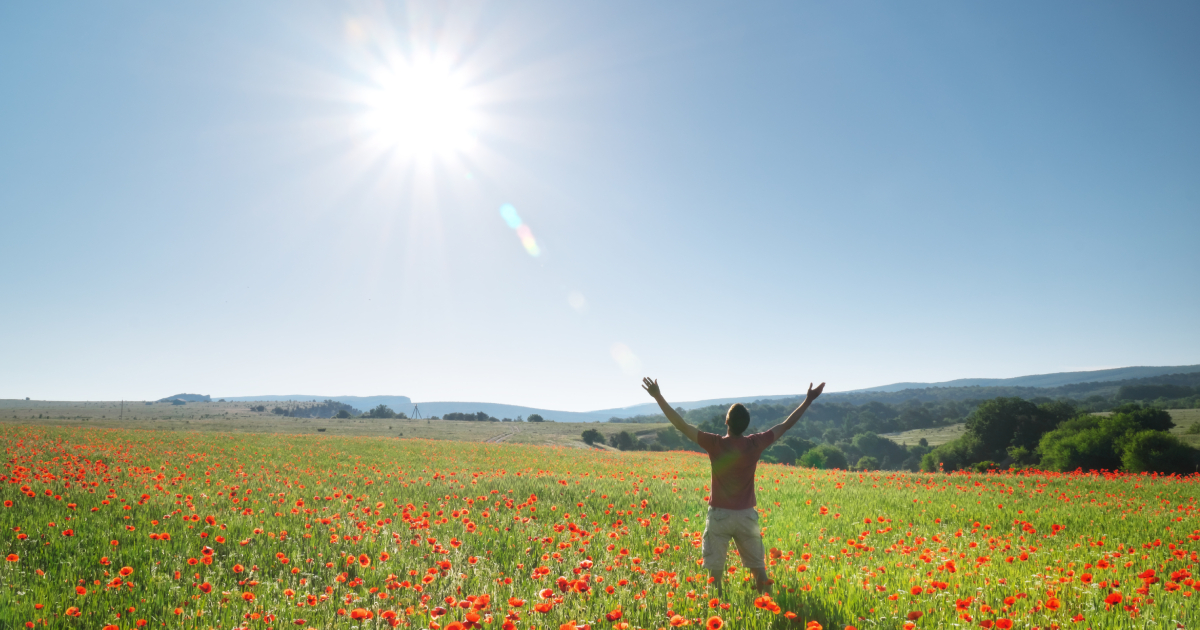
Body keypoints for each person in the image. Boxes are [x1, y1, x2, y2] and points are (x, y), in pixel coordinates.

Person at [642, 377, 825, 598]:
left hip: (719, 516)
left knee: (714, 573)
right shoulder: (755, 443)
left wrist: (658, 396)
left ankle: (718, 609)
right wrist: (808, 400)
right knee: (759, 569)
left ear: (726, 422)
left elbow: (681, 425)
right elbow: (785, 425)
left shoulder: (715, 444)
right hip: (746, 516)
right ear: (745, 425)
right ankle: (768, 606)